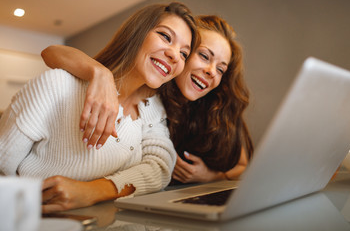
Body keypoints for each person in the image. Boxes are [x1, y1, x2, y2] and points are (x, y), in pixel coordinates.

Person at [0, 2, 198, 213]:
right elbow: (2, 167)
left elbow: (159, 169)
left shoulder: (153, 109)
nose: (175, 55)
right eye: (166, 37)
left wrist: (92, 191)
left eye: (184, 54)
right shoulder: (57, 85)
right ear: (138, 33)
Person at [41, 15, 253, 184]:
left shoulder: (216, 108)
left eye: (221, 69)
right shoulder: (149, 91)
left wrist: (210, 176)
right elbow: (51, 51)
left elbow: (243, 164)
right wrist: (100, 74)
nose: (211, 72)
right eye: (204, 56)